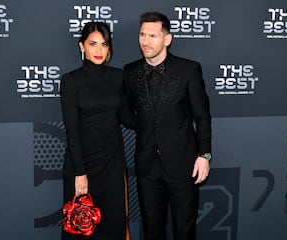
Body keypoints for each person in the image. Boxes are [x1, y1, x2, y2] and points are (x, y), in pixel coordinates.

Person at [119, 12, 212, 240]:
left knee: (184, 230)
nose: (145, 41)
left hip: (184, 166)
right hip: (147, 167)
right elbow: (124, 112)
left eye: (152, 35)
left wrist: (204, 155)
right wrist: (144, 127)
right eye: (142, 35)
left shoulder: (189, 70)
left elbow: (202, 116)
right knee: (151, 230)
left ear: (167, 39)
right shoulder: (130, 72)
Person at [60, 21, 129, 240]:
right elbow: (71, 130)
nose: (99, 50)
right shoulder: (71, 81)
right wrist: (80, 173)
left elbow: (127, 117)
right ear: (82, 46)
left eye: (104, 44)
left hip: (112, 163)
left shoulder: (118, 77)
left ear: (109, 48)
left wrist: (160, 121)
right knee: (81, 228)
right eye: (93, 44)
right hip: (82, 164)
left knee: (114, 223)